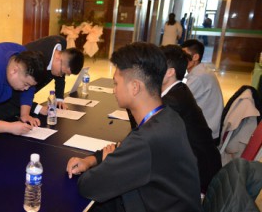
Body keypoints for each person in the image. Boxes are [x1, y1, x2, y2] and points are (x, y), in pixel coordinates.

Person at [66, 42, 201, 211]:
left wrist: (105, 163)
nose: (114, 90)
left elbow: (88, 187)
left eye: (116, 83)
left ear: (135, 87)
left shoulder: (147, 140)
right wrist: (90, 160)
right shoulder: (167, 117)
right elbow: (123, 149)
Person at [128, 46, 221, 194]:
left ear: (170, 72)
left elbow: (142, 131)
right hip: (196, 163)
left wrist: (131, 98)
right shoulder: (179, 90)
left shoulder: (173, 101)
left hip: (197, 176)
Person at [0, 35, 84, 120]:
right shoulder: (36, 61)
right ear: (58, 59)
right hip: (7, 95)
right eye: (62, 72)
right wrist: (38, 108)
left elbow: (60, 77)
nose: (61, 76)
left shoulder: (61, 49)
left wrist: (59, 98)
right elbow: (19, 92)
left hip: (24, 96)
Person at [182, 39, 224, 141]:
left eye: (184, 55)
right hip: (208, 125)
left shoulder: (198, 76)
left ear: (195, 57)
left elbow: (180, 100)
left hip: (206, 133)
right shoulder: (201, 71)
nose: (181, 59)